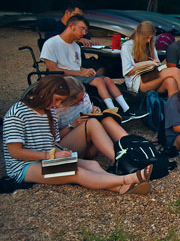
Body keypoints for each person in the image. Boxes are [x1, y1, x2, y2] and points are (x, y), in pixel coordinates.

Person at [2, 76, 151, 194]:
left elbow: (51, 142)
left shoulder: (49, 112)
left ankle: (121, 187)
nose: (58, 105)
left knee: (92, 164)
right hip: (23, 167)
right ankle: (126, 179)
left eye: (60, 101)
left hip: (47, 157)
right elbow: (15, 152)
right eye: (57, 99)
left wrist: (60, 152)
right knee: (75, 172)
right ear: (45, 92)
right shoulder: (17, 114)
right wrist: (50, 156)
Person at [41, 14, 141, 122]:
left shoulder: (75, 46)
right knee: (98, 81)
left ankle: (127, 110)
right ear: (71, 26)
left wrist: (86, 70)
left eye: (85, 31)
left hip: (76, 76)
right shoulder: (51, 43)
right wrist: (80, 73)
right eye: (82, 29)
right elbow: (53, 70)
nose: (84, 33)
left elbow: (77, 66)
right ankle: (113, 111)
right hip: (63, 78)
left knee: (106, 79)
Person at [56, 77, 129, 161]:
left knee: (106, 119)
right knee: (92, 123)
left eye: (83, 96)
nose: (83, 100)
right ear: (67, 101)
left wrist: (94, 110)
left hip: (90, 140)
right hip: (66, 147)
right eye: (79, 100)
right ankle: (121, 160)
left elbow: (88, 110)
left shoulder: (83, 96)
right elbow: (52, 140)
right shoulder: (56, 110)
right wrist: (72, 125)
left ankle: (133, 146)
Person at [121, 21, 180, 97]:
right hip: (138, 82)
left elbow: (157, 65)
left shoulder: (150, 45)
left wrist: (158, 65)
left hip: (153, 76)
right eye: (147, 37)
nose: (148, 40)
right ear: (140, 36)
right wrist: (147, 64)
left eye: (151, 38)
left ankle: (174, 107)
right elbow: (127, 71)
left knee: (171, 82)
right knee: (176, 71)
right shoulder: (127, 46)